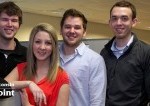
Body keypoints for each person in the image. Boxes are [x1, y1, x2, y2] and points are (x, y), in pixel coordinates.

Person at [5, 23, 69, 106]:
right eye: (38, 42)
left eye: (48, 43)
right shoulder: (21, 69)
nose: (42, 47)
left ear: (53, 47)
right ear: (32, 44)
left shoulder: (61, 76)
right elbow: (1, 86)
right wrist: (28, 83)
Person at [100, 1, 150, 106]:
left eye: (124, 18)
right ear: (110, 22)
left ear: (134, 22)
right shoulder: (104, 53)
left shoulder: (146, 52)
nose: (118, 23)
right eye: (114, 18)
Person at [59, 8, 107, 106]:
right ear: (61, 30)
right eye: (67, 26)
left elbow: (97, 101)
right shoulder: (51, 56)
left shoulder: (95, 60)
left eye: (77, 27)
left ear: (84, 32)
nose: (72, 31)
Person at [0, 1, 27, 105]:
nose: (9, 24)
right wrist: (26, 84)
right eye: (5, 19)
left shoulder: (27, 55)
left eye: (14, 20)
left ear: (19, 25)